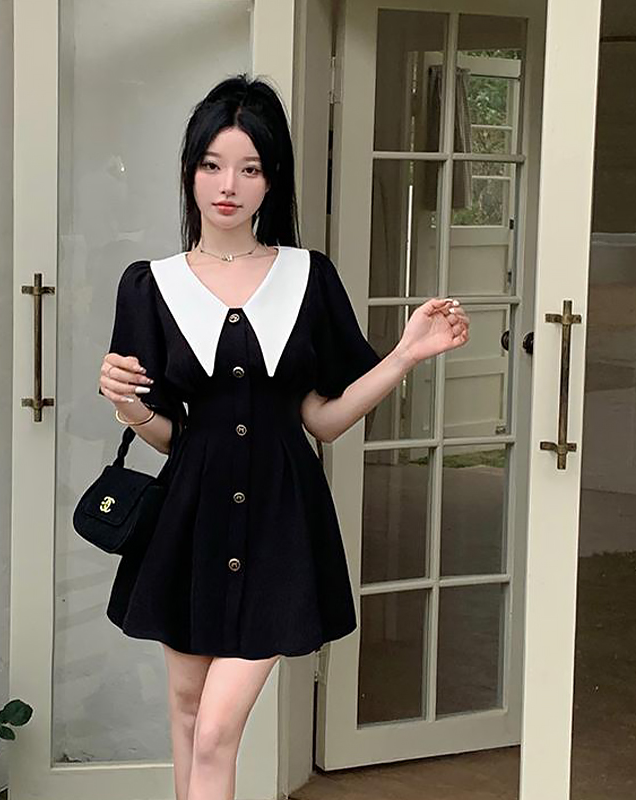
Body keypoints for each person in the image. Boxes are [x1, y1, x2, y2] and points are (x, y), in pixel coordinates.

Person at [97, 74, 470, 800]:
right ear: (189, 172)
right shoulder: (149, 285)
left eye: (249, 168)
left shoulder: (306, 277)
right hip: (191, 520)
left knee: (214, 730)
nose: (227, 186)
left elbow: (323, 419)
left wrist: (404, 354)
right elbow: (172, 436)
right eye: (212, 165)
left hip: (279, 520)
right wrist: (128, 407)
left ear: (272, 180)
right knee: (186, 711)